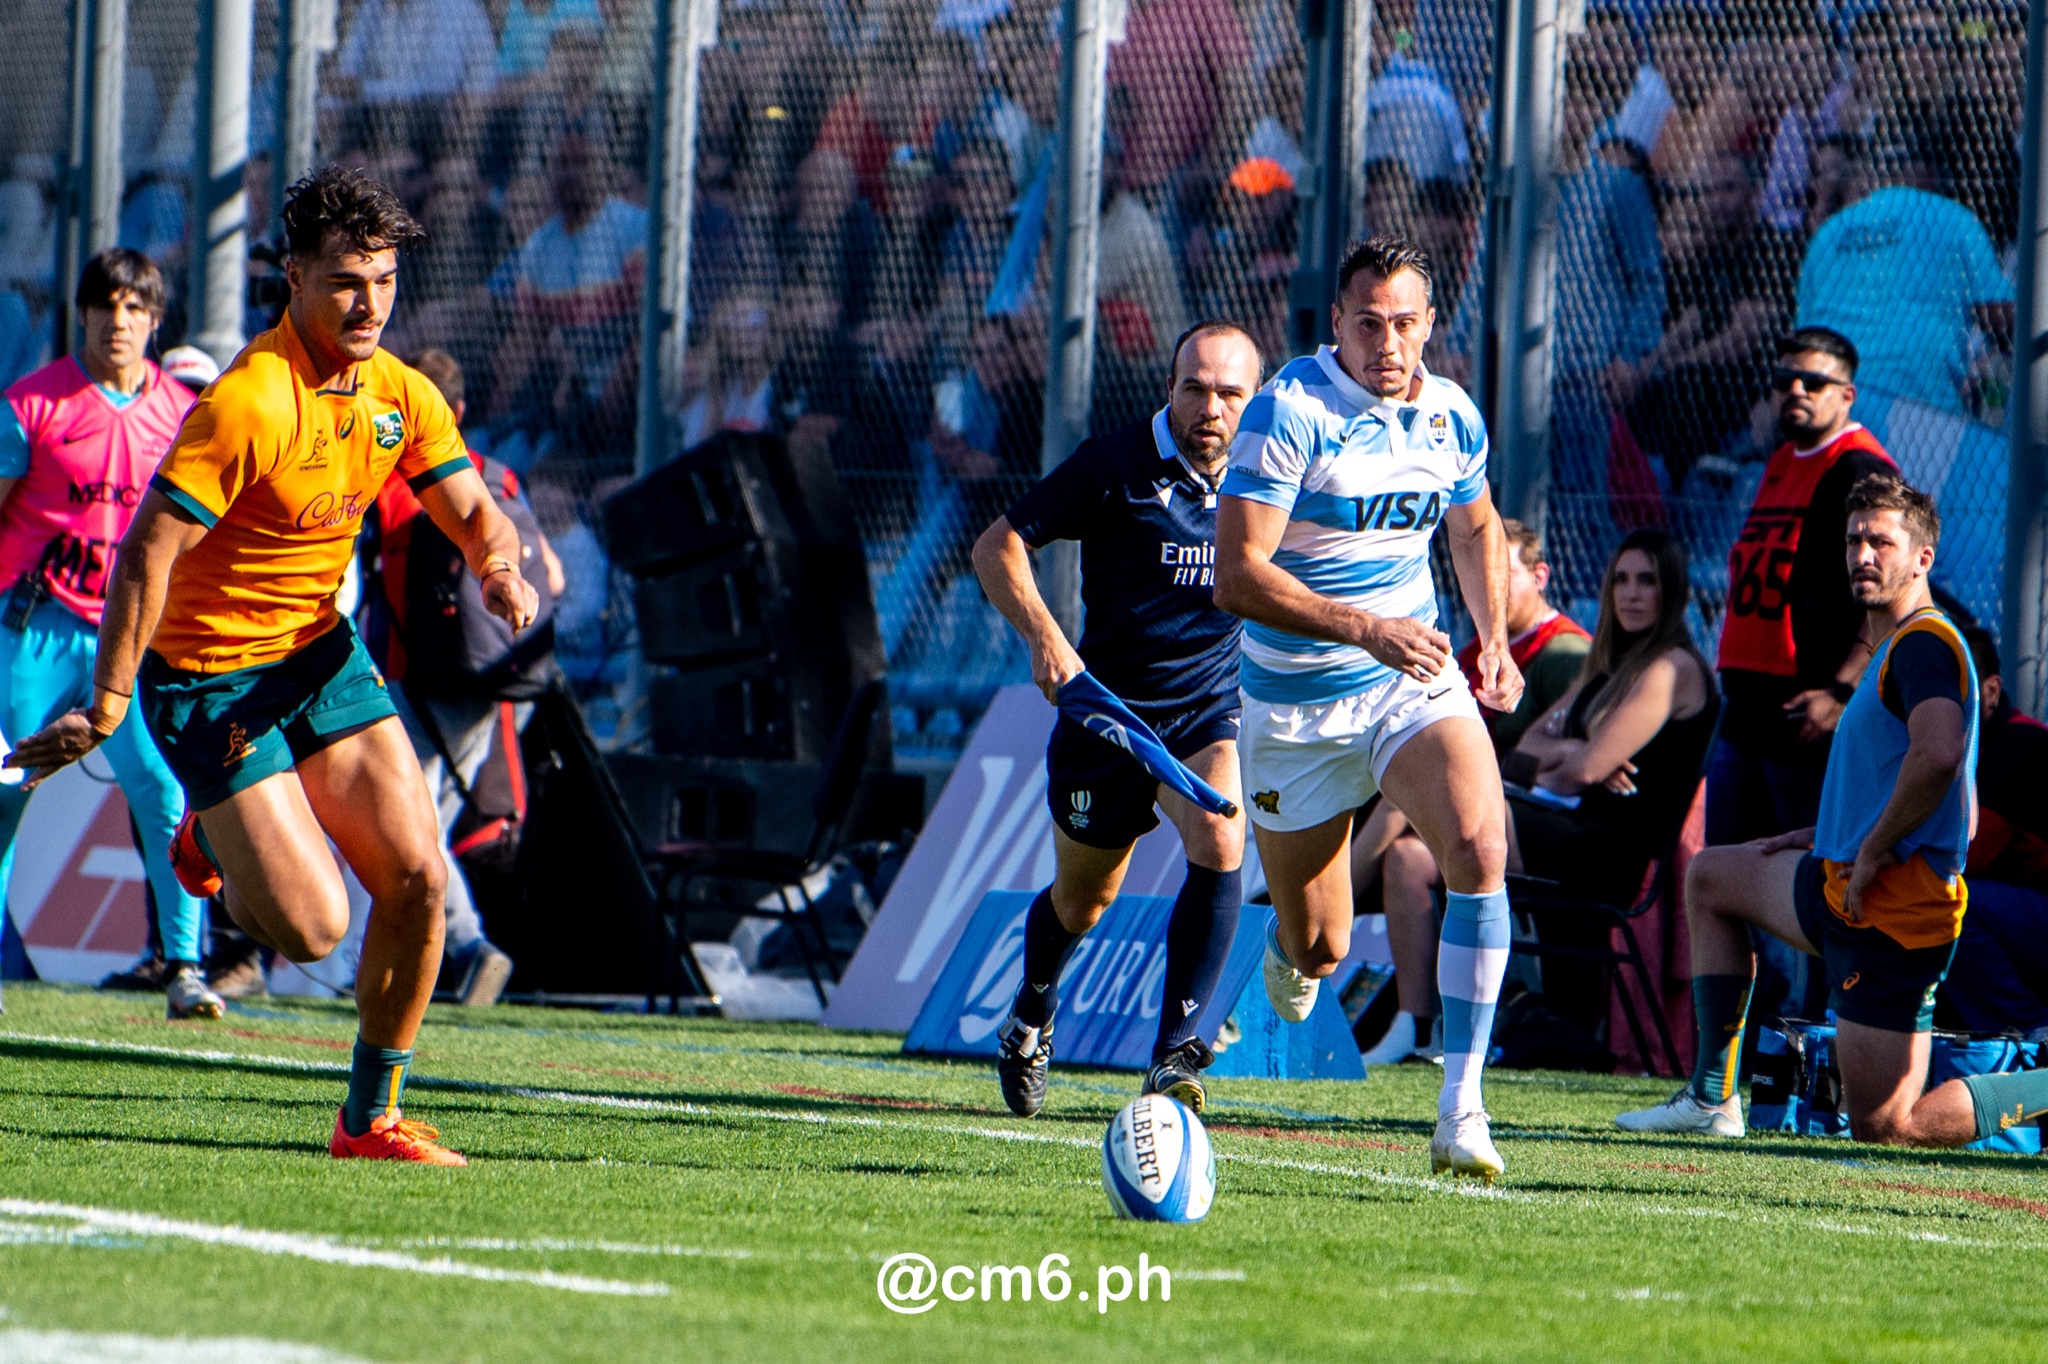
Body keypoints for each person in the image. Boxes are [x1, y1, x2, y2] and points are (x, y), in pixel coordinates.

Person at [10, 166, 539, 1166]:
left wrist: (498, 564)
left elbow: (472, 507)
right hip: (208, 681)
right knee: (310, 928)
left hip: (316, 655)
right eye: (344, 280)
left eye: (382, 279)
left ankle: (368, 1119)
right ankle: (214, 831)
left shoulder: (398, 393)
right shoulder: (250, 401)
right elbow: (147, 552)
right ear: (293, 276)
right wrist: (113, 702)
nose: (368, 301)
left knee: (420, 879)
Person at [1213, 236, 1524, 1183]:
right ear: (1336, 325)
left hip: (1409, 680)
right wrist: (1361, 628)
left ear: (1429, 325)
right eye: (1368, 323)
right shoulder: (1289, 413)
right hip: (1298, 709)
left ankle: (1462, 1106)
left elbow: (1473, 524)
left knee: (1477, 844)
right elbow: (1236, 575)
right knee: (1322, 941)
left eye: (1404, 323)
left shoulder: (1451, 415)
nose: (1387, 343)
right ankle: (1288, 943)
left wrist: (1495, 637)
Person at [1617, 474, 2048, 1149]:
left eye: (1882, 541)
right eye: (1854, 540)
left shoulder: (1926, 643)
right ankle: (1709, 1099)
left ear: (1922, 558)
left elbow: (1938, 759)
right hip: (1840, 883)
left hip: (1892, 910)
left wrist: (1873, 847)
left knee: (1888, 1128)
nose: (1863, 555)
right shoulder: (1894, 646)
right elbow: (1927, 788)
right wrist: (1833, 832)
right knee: (1713, 877)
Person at [971, 321, 1262, 1117]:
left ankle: (1176, 1058)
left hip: (1206, 713)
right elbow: (996, 547)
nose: (1211, 408)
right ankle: (1032, 1008)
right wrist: (1044, 637)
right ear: (1168, 388)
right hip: (1106, 721)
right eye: (1195, 388)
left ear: (1254, 400)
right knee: (1082, 903)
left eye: (1231, 393)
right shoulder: (1113, 464)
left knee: (1221, 830)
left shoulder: (1272, 474)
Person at [1377, 530, 1718, 1058]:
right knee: (1406, 858)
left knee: (1424, 797)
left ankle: (1295, 920)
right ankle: (1416, 1030)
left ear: (1670, 591)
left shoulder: (1671, 668)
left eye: (1647, 581)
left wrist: (1572, 756)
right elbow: (1526, 753)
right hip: (1555, 824)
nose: (1631, 593)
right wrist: (1575, 753)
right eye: (1621, 580)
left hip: (1605, 850)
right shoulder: (1608, 666)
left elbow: (1578, 774)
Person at [0, 248, 214, 1019]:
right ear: (82, 315)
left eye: (134, 308)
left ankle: (185, 969)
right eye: (105, 306)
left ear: (155, 322)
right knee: (6, 790)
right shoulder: (29, 406)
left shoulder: (184, 416)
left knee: (162, 790)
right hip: (36, 630)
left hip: (135, 639)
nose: (118, 322)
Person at [365, 347, 564, 1008]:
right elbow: (553, 577)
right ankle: (465, 950)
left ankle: (451, 952)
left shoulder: (396, 480)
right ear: (463, 410)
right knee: (425, 829)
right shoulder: (501, 480)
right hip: (499, 678)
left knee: (405, 831)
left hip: (415, 679)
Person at [1354, 516, 1593, 1064]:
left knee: (1401, 800)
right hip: (1475, 813)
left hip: (1542, 825)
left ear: (1540, 576)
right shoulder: (1468, 652)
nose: (1491, 589)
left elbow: (1574, 760)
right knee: (1407, 858)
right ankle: (1415, 1025)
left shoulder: (1566, 654)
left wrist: (1519, 760)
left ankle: (1326, 912)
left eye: (1503, 574)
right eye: (1481, 575)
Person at [1711, 329, 1895, 850]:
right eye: (1784, 380)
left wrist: (1842, 690)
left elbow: (1896, 594)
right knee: (1723, 875)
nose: (1796, 390)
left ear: (1846, 394)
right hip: (1747, 709)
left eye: (1814, 381)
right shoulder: (1782, 461)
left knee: (1803, 889)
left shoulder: (1861, 469)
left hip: (1804, 716)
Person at [1938, 626, 2048, 1037]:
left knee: (1956, 904)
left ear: (1993, 691)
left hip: (2034, 911)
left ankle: (2030, 1033)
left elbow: (1965, 857)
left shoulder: (2020, 745)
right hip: (2025, 911)